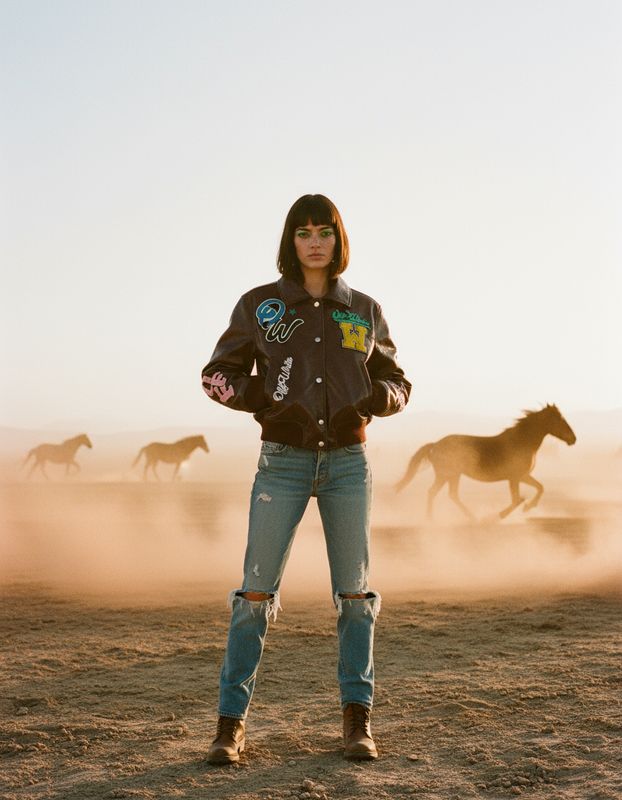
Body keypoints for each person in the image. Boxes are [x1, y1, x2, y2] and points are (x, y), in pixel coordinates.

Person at [201, 194, 411, 764]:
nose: (314, 241)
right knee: (253, 594)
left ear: (338, 240)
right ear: (290, 241)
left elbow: (397, 380)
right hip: (283, 463)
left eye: (324, 231)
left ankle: (357, 722)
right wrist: (265, 402)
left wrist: (375, 399)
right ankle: (229, 727)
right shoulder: (261, 305)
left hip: (348, 464)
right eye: (303, 231)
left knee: (355, 596)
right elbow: (215, 375)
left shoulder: (362, 309)